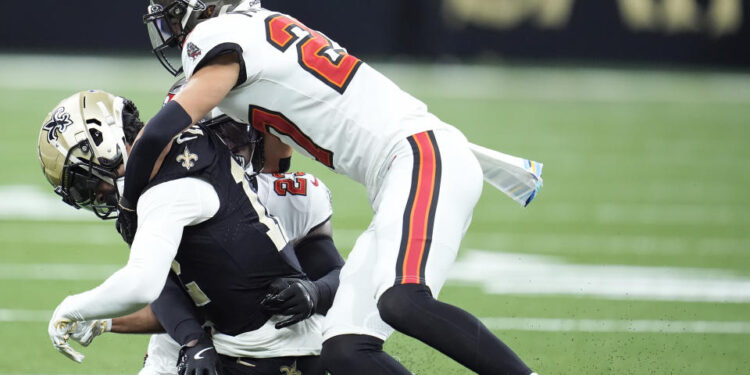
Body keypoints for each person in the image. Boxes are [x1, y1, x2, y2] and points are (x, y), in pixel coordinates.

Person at [130, 1, 542, 374]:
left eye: (171, 14)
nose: (171, 31)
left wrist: (131, 207)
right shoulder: (260, 28)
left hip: (416, 156)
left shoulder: (216, 36)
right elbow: (279, 153)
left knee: (404, 301)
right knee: (347, 349)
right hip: (399, 172)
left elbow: (157, 135)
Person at [39, 89, 344, 374]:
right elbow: (168, 287)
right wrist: (192, 341)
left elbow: (143, 284)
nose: (229, 146)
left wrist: (73, 308)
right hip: (222, 332)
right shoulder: (156, 185)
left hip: (275, 345)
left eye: (234, 133)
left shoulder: (171, 189)